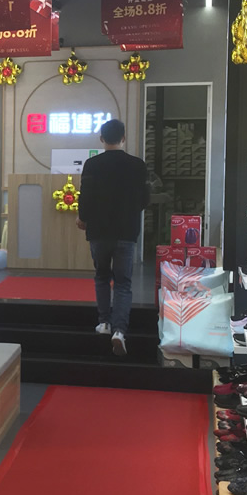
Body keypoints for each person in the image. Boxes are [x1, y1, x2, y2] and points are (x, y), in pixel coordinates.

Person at [76, 119, 149, 357]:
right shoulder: (137, 165)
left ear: (101, 139)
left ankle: (104, 323)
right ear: (123, 138)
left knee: (101, 277)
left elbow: (85, 196)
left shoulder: (92, 164)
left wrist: (83, 218)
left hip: (98, 231)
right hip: (126, 231)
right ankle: (119, 330)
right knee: (123, 282)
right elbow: (145, 199)